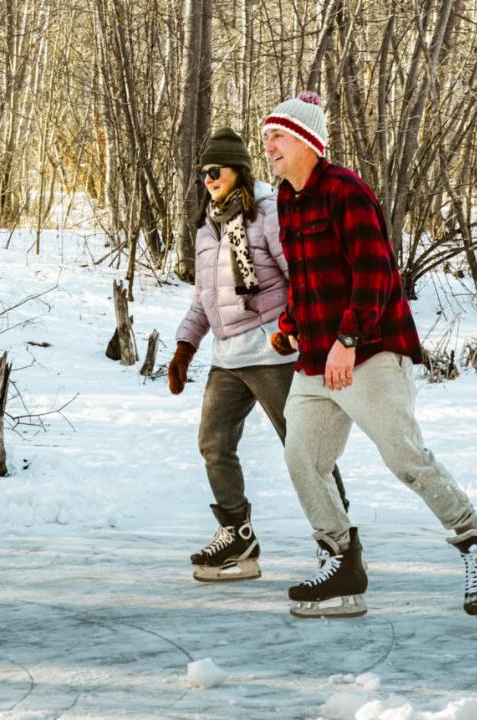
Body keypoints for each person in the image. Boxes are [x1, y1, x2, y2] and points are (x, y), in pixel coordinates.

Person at [260, 91, 477, 624]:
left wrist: (348, 341)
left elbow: (376, 273)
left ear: (307, 141)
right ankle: (342, 565)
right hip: (316, 360)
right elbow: (308, 279)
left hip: (369, 351)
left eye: (277, 136)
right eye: (266, 137)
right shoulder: (286, 198)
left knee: (404, 458)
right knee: (302, 459)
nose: (268, 147)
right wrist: (290, 326)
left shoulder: (345, 191)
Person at [169, 127, 348, 583]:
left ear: (239, 172)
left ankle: (338, 542)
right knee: (214, 443)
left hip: (274, 351)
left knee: (305, 448)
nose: (208, 179)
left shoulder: (268, 212)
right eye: (203, 172)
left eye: (216, 171)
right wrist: (185, 346)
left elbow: (300, 275)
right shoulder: (208, 226)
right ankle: (237, 535)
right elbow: (203, 298)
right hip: (228, 356)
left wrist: (295, 331)